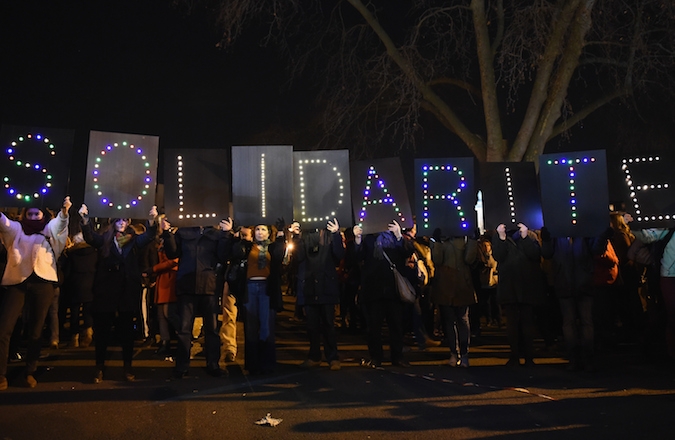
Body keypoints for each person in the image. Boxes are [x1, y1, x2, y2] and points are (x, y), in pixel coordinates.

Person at [80, 204, 158, 383]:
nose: (122, 223)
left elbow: (148, 236)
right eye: (118, 220)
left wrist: (152, 220)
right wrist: (85, 219)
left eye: (125, 219)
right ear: (112, 222)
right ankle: (99, 367)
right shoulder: (105, 239)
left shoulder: (133, 239)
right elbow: (90, 237)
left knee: (126, 333)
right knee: (102, 332)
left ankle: (127, 367)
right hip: (106, 291)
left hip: (126, 291)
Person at [0, 196, 71, 390]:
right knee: (4, 328)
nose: (32, 217)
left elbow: (60, 224)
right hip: (18, 282)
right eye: (29, 213)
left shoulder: (48, 229)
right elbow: (3, 223)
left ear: (42, 214)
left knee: (36, 330)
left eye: (36, 213)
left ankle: (29, 371)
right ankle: (1, 374)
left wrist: (65, 211)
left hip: (43, 283)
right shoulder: (17, 228)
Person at [162, 217, 231, 379]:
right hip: (187, 285)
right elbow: (172, 253)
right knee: (184, 329)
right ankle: (182, 365)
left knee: (212, 329)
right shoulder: (183, 231)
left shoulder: (215, 233)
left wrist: (226, 234)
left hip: (209, 286)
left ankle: (213, 364)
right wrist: (167, 233)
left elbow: (223, 256)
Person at [540, 227, 610, 371]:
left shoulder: (567, 232)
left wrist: (602, 237)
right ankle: (578, 358)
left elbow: (597, 249)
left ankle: (583, 357)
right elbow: (547, 253)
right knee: (578, 322)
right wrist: (546, 240)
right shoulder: (577, 232)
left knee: (577, 322)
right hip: (572, 280)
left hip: (576, 281)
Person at [226, 219, 286, 375]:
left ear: (268, 233)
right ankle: (252, 365)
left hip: (267, 288)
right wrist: (237, 234)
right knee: (251, 327)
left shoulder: (272, 248)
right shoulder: (247, 247)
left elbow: (279, 255)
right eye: (258, 229)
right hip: (250, 288)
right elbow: (235, 252)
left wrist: (281, 233)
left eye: (263, 229)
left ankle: (267, 364)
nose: (260, 232)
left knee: (266, 327)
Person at [356, 220, 414, 368]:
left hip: (393, 289)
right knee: (374, 327)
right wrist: (357, 239)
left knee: (396, 325)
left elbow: (408, 252)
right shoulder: (368, 237)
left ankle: (397, 357)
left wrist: (399, 235)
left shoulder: (396, 238)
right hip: (374, 289)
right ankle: (376, 357)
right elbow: (357, 258)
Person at [294, 218, 345, 370]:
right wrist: (296, 236)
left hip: (326, 286)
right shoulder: (304, 234)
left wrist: (336, 233)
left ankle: (332, 357)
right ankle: (314, 356)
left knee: (329, 324)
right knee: (312, 326)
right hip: (310, 286)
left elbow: (339, 255)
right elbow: (298, 257)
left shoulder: (330, 234)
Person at [491, 223, 545, 367]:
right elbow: (498, 256)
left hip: (527, 285)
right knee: (512, 324)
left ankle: (529, 356)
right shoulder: (499, 237)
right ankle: (515, 355)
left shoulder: (530, 236)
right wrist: (502, 238)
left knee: (527, 323)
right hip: (510, 286)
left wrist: (526, 237)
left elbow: (535, 255)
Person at [430, 231, 478, 367]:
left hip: (462, 284)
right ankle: (454, 352)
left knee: (462, 319)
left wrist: (473, 241)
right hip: (445, 284)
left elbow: (469, 259)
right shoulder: (438, 238)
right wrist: (437, 242)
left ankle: (464, 353)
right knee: (449, 321)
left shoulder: (464, 237)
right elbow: (437, 260)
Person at [60, 231, 97, 348]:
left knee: (74, 312)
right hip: (90, 284)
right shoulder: (95, 253)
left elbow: (67, 272)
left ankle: (74, 337)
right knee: (88, 311)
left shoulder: (71, 254)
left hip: (75, 285)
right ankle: (89, 333)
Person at [151, 215, 180, 356]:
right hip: (163, 278)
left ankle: (183, 336)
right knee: (161, 314)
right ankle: (165, 341)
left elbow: (175, 260)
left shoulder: (174, 236)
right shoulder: (161, 239)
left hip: (170, 277)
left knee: (169, 313)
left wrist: (155, 269)